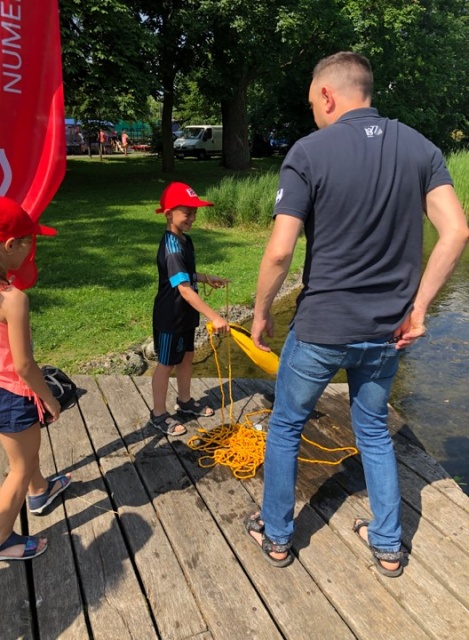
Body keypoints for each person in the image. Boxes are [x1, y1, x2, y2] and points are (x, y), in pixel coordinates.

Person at [245, 51, 469, 573]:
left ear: (328, 95)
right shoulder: (421, 148)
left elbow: (279, 252)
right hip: (387, 331)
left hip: (321, 327)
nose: (314, 113)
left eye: (312, 103)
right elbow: (456, 231)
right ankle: (387, 545)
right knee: (372, 430)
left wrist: (261, 312)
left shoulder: (308, 152)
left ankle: (276, 536)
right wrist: (418, 309)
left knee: (286, 426)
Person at [0, 197, 71, 561]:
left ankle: (40, 491)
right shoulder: (13, 300)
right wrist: (49, 399)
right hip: (14, 393)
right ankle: (2, 539)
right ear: (11, 245)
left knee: (24, 454)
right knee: (21, 466)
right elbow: (25, 366)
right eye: (29, 242)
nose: (31, 249)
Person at [150, 182, 230, 436]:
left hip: (185, 314)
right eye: (187, 213)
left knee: (186, 357)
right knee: (166, 364)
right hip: (170, 316)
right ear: (168, 214)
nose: (193, 218)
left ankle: (184, 401)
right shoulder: (171, 247)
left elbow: (184, 275)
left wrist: (205, 278)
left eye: (195, 212)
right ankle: (158, 414)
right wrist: (214, 316)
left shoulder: (185, 240)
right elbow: (183, 289)